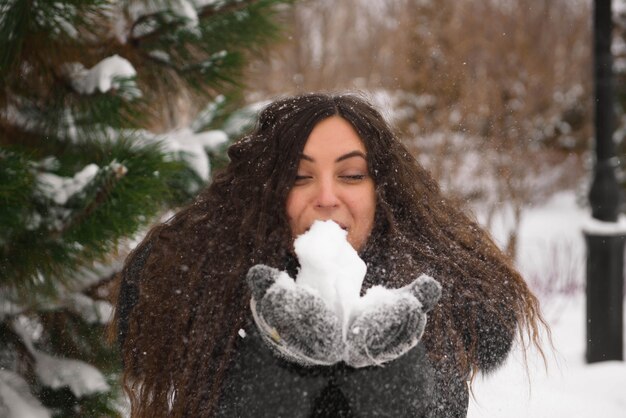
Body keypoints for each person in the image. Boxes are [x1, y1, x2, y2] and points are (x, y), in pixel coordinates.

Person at [114, 93, 546, 417]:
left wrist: (386, 363)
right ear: (267, 192)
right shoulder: (211, 292)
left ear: (382, 192)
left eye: (351, 175)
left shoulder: (431, 300)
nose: (325, 196)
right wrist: (279, 357)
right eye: (300, 177)